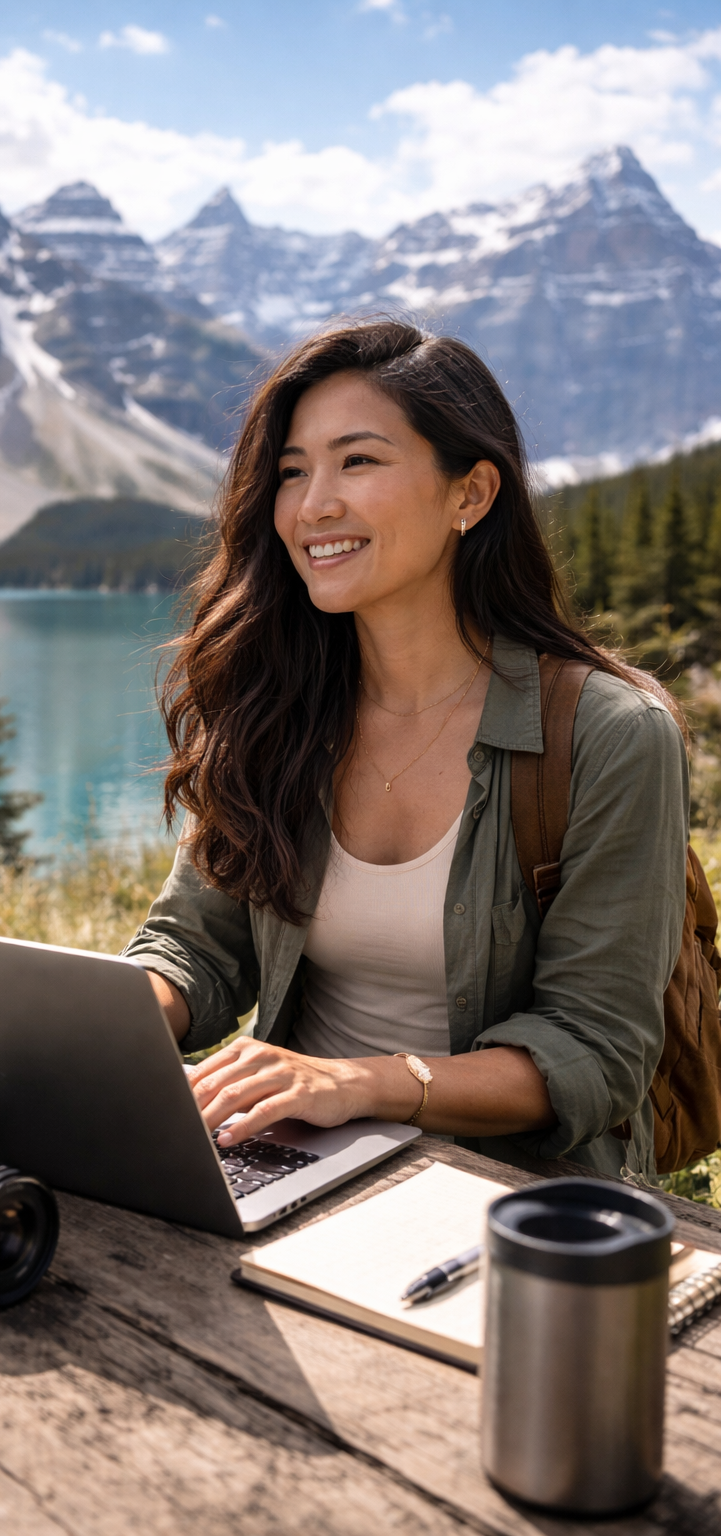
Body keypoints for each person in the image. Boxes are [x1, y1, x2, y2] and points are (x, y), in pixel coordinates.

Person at [124, 319, 688, 1181]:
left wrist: (359, 1084)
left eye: (358, 461)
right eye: (291, 471)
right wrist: (94, 1015)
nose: (313, 506)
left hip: (503, 1190)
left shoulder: (612, 734)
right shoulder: (270, 704)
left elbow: (593, 1052)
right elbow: (197, 948)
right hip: (281, 1158)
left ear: (471, 494)